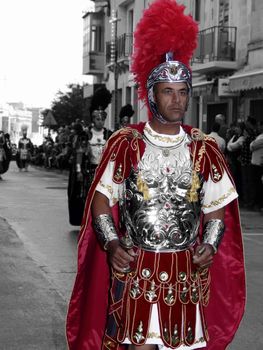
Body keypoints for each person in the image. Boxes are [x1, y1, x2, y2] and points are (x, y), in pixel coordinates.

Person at [66, 1, 245, 349]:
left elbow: (216, 205)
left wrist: (210, 243)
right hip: (138, 267)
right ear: (152, 95)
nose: (177, 101)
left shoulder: (202, 148)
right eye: (168, 92)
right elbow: (103, 200)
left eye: (182, 93)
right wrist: (112, 242)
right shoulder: (127, 144)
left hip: (184, 270)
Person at [249, 121, 263, 210]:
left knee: (258, 185)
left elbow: (252, 146)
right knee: (256, 184)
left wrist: (253, 143)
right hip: (256, 162)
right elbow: (252, 146)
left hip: (259, 163)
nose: (259, 127)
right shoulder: (259, 136)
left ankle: (257, 203)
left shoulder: (261, 137)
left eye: (260, 126)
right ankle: (256, 203)